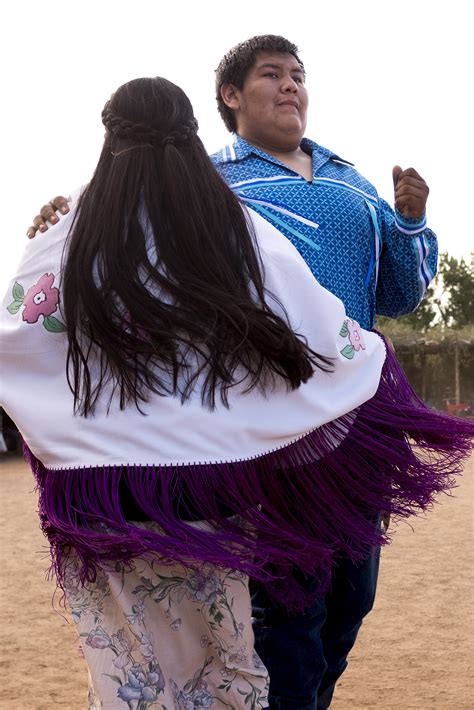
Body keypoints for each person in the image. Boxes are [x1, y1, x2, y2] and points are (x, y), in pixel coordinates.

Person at [18, 67, 466, 710]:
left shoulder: (73, 243)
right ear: (209, 119)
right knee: (247, 654)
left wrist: (409, 229)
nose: (291, 87)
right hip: (234, 478)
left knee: (137, 666)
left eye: (298, 76)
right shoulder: (228, 221)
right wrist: (365, 362)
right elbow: (310, 321)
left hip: (120, 496)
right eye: (272, 74)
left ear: (108, 141)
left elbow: (23, 335)